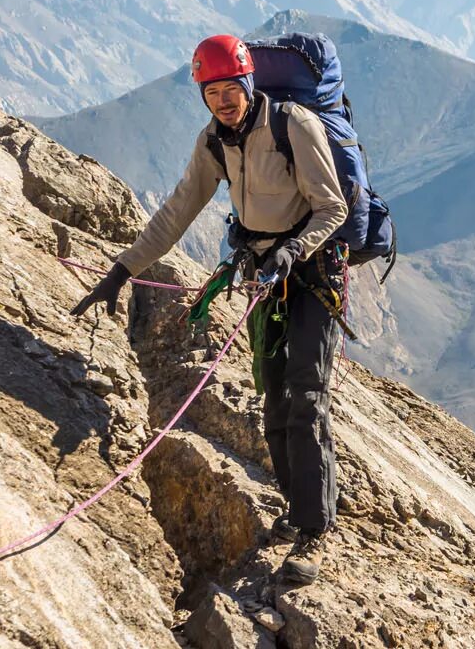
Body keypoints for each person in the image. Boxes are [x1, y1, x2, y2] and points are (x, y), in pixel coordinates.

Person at [71, 33, 349, 585]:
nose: (223, 101)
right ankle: (297, 511)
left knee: (306, 393)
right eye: (211, 92)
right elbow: (178, 211)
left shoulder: (295, 127)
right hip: (265, 276)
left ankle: (317, 529)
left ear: (249, 84)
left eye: (230, 90)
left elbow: (333, 207)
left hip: (313, 274)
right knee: (272, 394)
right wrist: (122, 270)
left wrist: (292, 251)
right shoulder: (214, 144)